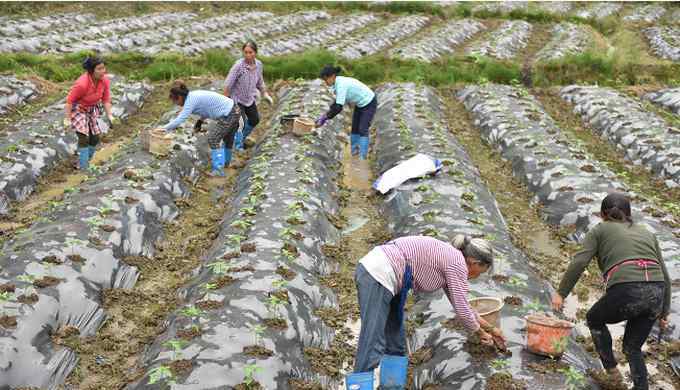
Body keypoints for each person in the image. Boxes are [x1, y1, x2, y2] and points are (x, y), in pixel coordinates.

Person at [551, 192, 671, 390]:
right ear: (629, 214)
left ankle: (612, 371)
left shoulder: (599, 230)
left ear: (601, 214)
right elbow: (665, 275)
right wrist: (664, 312)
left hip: (627, 289)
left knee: (594, 318)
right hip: (656, 291)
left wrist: (561, 293)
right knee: (633, 348)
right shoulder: (647, 232)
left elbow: (580, 262)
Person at [354, 234, 505, 373]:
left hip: (392, 277)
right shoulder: (457, 263)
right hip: (379, 274)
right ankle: (360, 384)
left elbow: (464, 306)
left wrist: (492, 329)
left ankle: (392, 385)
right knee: (372, 339)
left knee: (394, 338)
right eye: (480, 271)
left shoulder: (451, 258)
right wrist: (482, 334)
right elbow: (462, 311)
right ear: (474, 263)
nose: (477, 276)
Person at [158, 80, 243, 177]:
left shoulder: (191, 100)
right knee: (228, 138)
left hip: (229, 113)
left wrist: (163, 128)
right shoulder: (193, 96)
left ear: (180, 97)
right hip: (234, 110)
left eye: (175, 101)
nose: (176, 104)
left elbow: (180, 119)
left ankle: (218, 170)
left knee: (213, 139)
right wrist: (200, 121)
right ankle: (226, 163)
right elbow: (206, 108)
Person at [316, 65, 377, 160]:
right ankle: (354, 154)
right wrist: (324, 115)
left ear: (332, 76)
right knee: (355, 128)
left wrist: (326, 117)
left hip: (369, 102)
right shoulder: (336, 83)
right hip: (360, 103)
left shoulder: (341, 84)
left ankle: (362, 157)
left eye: (326, 79)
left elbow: (338, 107)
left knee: (363, 128)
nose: (325, 82)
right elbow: (336, 103)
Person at [64, 56, 115, 170]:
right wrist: (67, 119)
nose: (103, 71)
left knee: (95, 138)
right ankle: (83, 167)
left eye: (103, 68)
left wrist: (110, 115)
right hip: (79, 110)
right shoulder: (82, 84)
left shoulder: (104, 81)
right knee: (84, 137)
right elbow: (69, 102)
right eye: (99, 69)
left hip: (92, 109)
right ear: (91, 71)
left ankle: (85, 160)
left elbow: (106, 99)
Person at [223, 41, 273, 151]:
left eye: (250, 52)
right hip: (237, 99)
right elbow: (228, 84)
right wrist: (225, 101)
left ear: (255, 52)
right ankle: (237, 145)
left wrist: (265, 93)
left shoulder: (258, 65)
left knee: (255, 120)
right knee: (241, 123)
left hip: (250, 99)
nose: (248, 55)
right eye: (245, 52)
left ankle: (240, 138)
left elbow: (260, 81)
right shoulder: (239, 66)